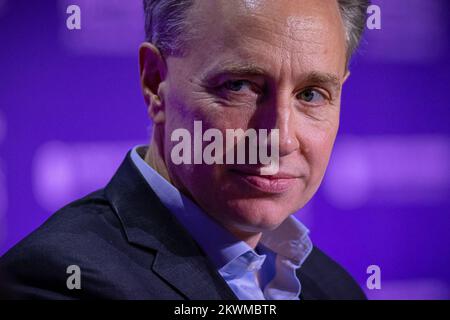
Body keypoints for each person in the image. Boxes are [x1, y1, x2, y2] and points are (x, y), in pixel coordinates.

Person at [0, 0, 369, 299]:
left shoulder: (333, 286)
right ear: (155, 82)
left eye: (310, 95)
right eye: (240, 86)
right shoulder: (58, 279)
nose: (282, 138)